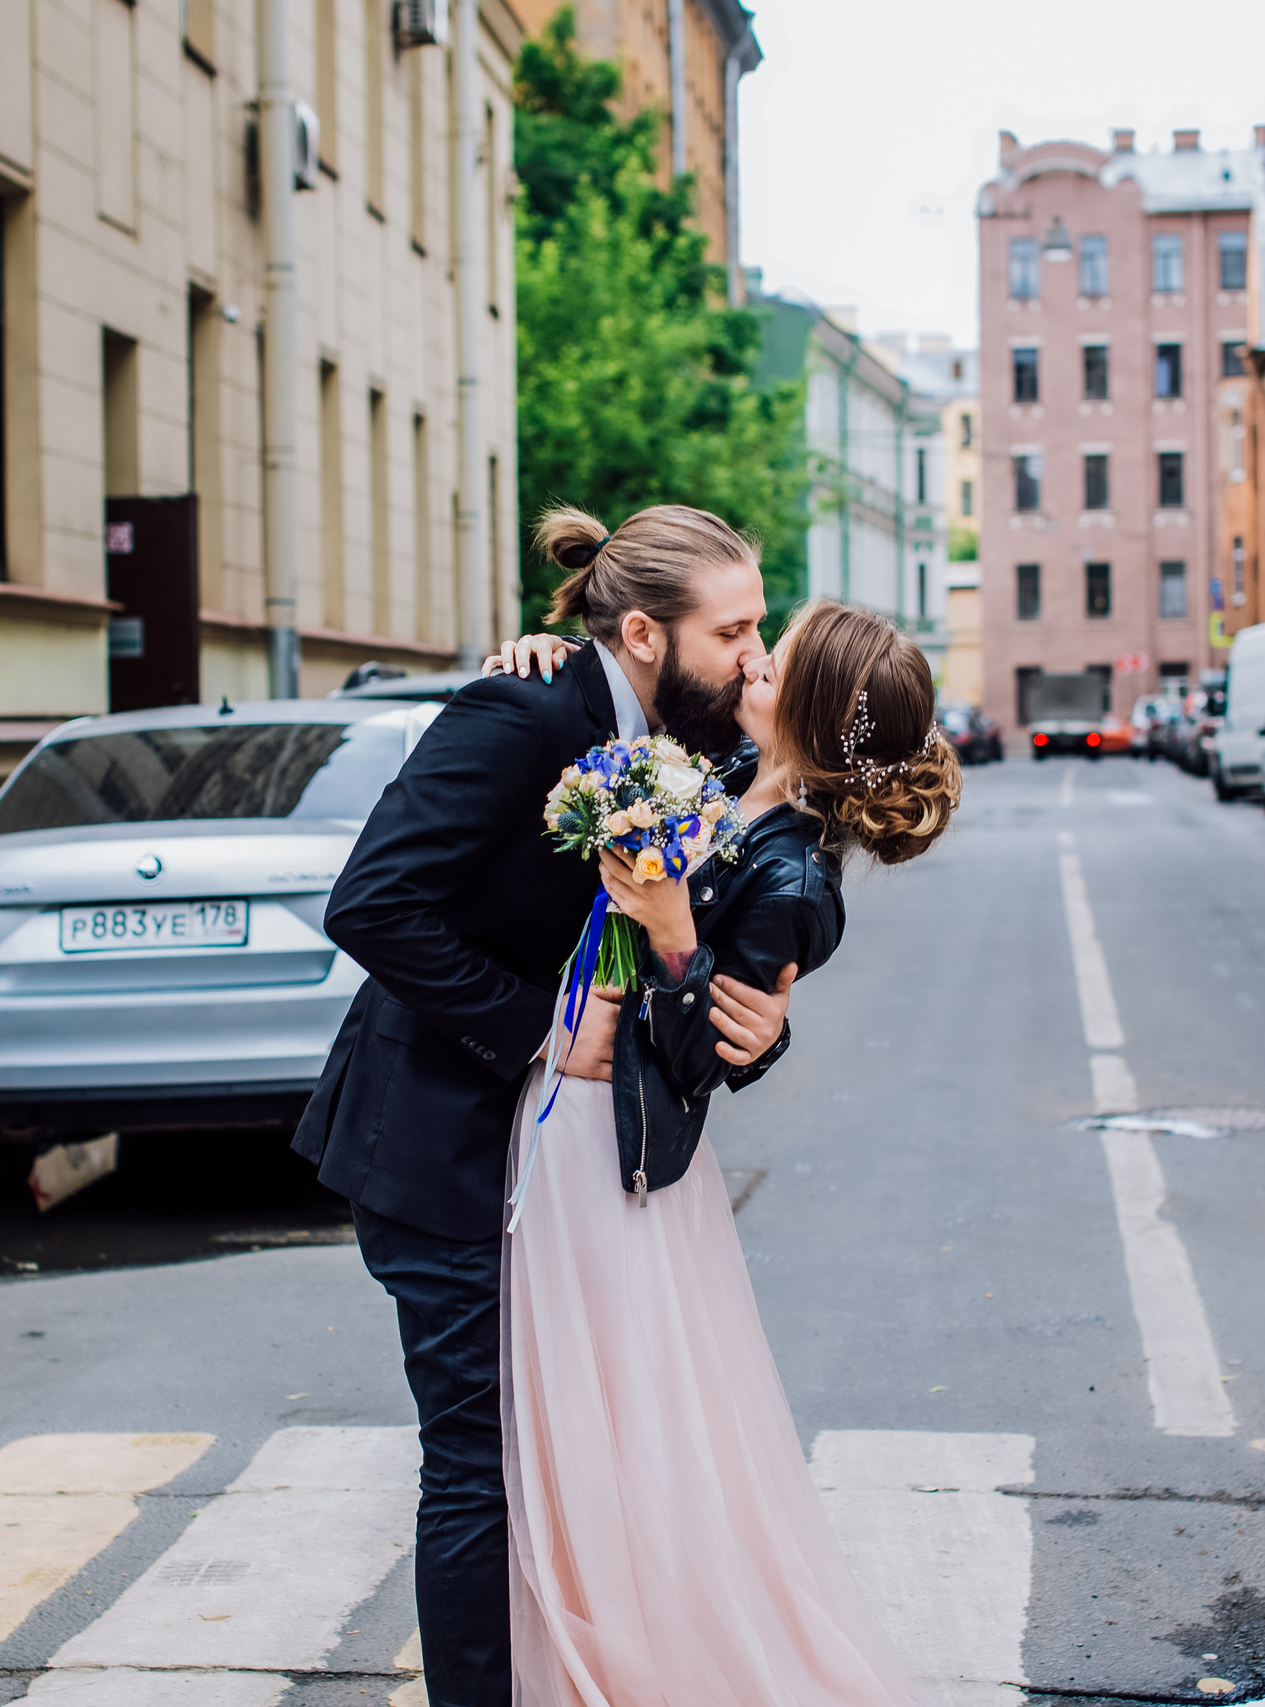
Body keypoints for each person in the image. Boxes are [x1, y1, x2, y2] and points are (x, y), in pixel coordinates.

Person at [293, 503, 802, 1707]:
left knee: (576, 1457)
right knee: (478, 1462)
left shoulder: (705, 748)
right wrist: (540, 1028)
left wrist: (763, 1022)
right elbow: (371, 905)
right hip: (441, 1142)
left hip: (579, 1171)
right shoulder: (516, 713)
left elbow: (725, 937)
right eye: (731, 629)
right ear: (640, 632)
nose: (752, 653)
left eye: (758, 624)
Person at [487, 578, 963, 1705]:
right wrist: (542, 653)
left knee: (621, 1433)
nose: (752, 658)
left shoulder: (796, 875)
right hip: (575, 1125)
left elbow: (704, 1051)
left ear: (809, 701)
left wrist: (671, 938)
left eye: (775, 649)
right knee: (575, 1427)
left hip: (622, 1162)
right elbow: (627, 676)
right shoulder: (733, 780)